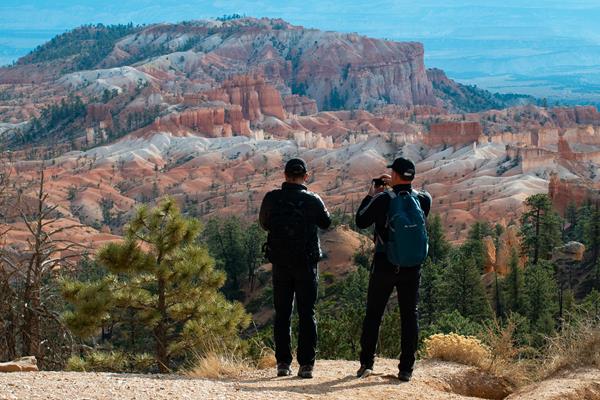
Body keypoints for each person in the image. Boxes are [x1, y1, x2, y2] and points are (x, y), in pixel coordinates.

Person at [355, 157, 432, 382]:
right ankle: (406, 368)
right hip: (412, 267)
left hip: (385, 264)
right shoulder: (423, 199)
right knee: (410, 316)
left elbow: (360, 221)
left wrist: (373, 193)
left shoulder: (382, 200)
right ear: (412, 176)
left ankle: (367, 364)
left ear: (395, 175)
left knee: (374, 314)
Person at [259, 158, 332, 379]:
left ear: (285, 175)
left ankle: (283, 363)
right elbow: (326, 223)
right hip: (306, 264)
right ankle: (306, 365)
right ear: (306, 176)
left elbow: (264, 223)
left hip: (281, 263)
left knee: (282, 313)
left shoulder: (272, 198)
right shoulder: (312, 199)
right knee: (307, 313)